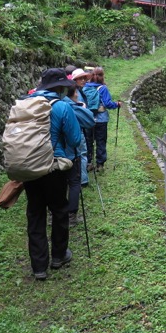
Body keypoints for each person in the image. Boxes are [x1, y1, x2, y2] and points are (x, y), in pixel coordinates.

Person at [24, 68, 82, 280]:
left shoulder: (25, 104)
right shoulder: (62, 107)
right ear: (59, 88)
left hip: (29, 166)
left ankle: (39, 267)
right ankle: (58, 256)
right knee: (59, 210)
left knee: (35, 213)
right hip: (54, 166)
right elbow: (75, 140)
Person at [63, 82, 95, 226]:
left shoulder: (45, 104)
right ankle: (71, 216)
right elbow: (90, 121)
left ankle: (52, 215)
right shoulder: (69, 107)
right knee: (74, 183)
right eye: (75, 92)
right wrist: (81, 107)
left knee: (58, 184)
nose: (77, 94)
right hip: (69, 153)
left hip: (48, 153)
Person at [85, 67, 121, 171]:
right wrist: (117, 104)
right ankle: (100, 165)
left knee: (89, 141)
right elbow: (107, 104)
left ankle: (89, 163)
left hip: (88, 119)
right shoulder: (103, 88)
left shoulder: (85, 87)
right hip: (101, 119)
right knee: (100, 141)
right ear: (102, 76)